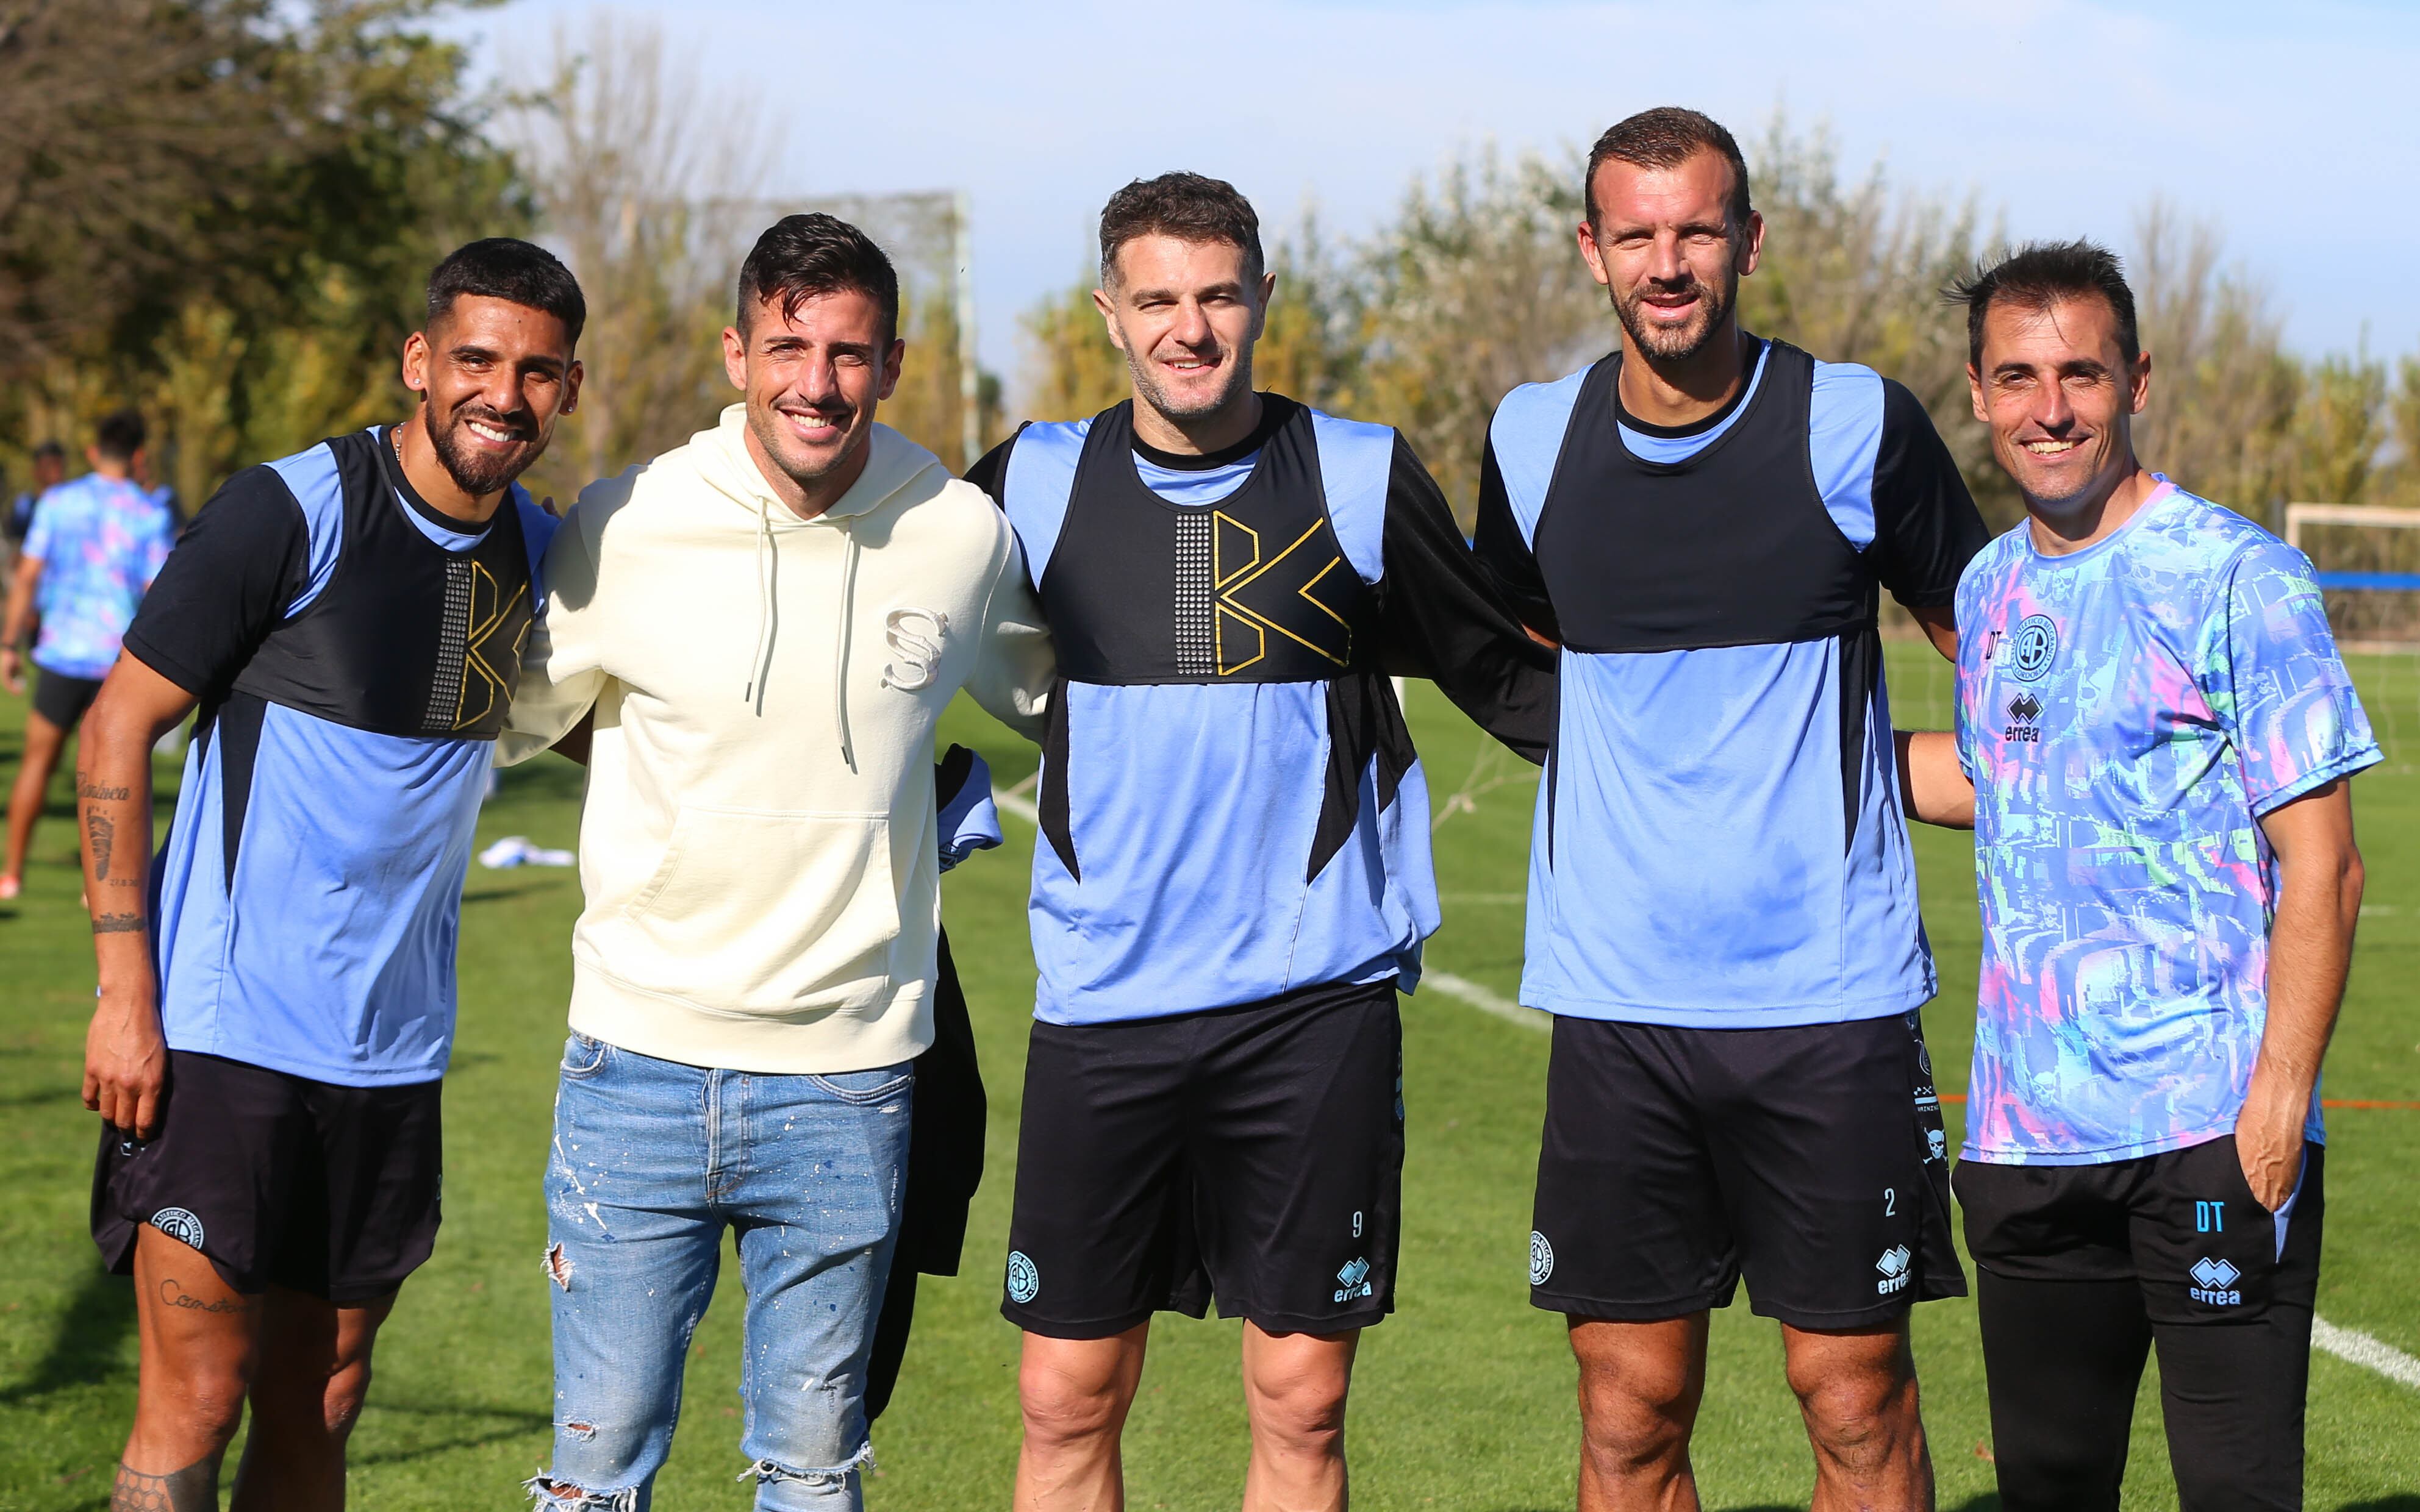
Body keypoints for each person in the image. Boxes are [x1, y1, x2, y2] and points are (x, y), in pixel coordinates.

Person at [965, 171, 1555, 1512]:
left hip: (1311, 1012)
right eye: (1159, 298)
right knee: (1064, 1400)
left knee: (1301, 1405)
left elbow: (1505, 674)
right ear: (1110, 310)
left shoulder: (1353, 471)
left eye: (1218, 294)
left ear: (1261, 300)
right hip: (1104, 1005)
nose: (1190, 327)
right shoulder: (1033, 479)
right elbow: (878, 635)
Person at [1470, 107, 1989, 1510]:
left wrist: (1956, 780)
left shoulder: (1850, 422)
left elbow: (1994, 646)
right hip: (1617, 1004)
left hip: (1826, 998)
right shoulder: (1527, 441)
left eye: (1695, 227)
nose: (1665, 260)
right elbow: (1499, 653)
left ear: (1745, 240)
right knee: (1628, 1407)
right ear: (1589, 251)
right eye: (1633, 232)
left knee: (1852, 1398)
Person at [496, 213, 1054, 1512]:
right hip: (634, 1059)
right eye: (788, 346)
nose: (818, 381)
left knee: (812, 1471)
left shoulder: (960, 532)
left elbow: (1069, 697)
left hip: (850, 1078)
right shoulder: (628, 520)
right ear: (735, 352)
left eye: (850, 352)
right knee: (595, 1467)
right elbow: (520, 714)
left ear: (895, 362)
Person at [74, 238, 583, 1511]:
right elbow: (115, 725)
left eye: (536, 372)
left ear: (566, 390)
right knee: (194, 1393)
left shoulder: (536, 550)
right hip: (223, 1033)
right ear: (420, 362)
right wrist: (123, 992)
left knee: (325, 1398)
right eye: (475, 359)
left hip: (394, 1054)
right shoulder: (290, 509)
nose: (501, 395)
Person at [1896, 241, 2375, 1512]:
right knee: (2050, 1493)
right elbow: (2005, 776)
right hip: (2027, 1128)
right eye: (2017, 377)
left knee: (2237, 1488)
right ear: (1978, 392)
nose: (2048, 409)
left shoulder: (2237, 573)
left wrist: (2276, 1101)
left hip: (2206, 1128)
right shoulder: (1991, 587)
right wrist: (1807, 748)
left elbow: (2322, 864)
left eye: (2079, 374)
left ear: (2134, 380)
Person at [1, 413, 175, 899]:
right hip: (117, 662)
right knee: (108, 774)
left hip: (61, 653)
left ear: (95, 451)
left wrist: (8, 644)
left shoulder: (58, 502)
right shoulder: (150, 513)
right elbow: (158, 591)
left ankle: (12, 872)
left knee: (37, 763)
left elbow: (29, 576)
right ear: (140, 456)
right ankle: (95, 884)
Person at [5, 438, 66, 546]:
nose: (55, 471)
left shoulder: (75, 504)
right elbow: (15, 546)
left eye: (58, 465)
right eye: (49, 465)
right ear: (36, 471)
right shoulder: (24, 506)